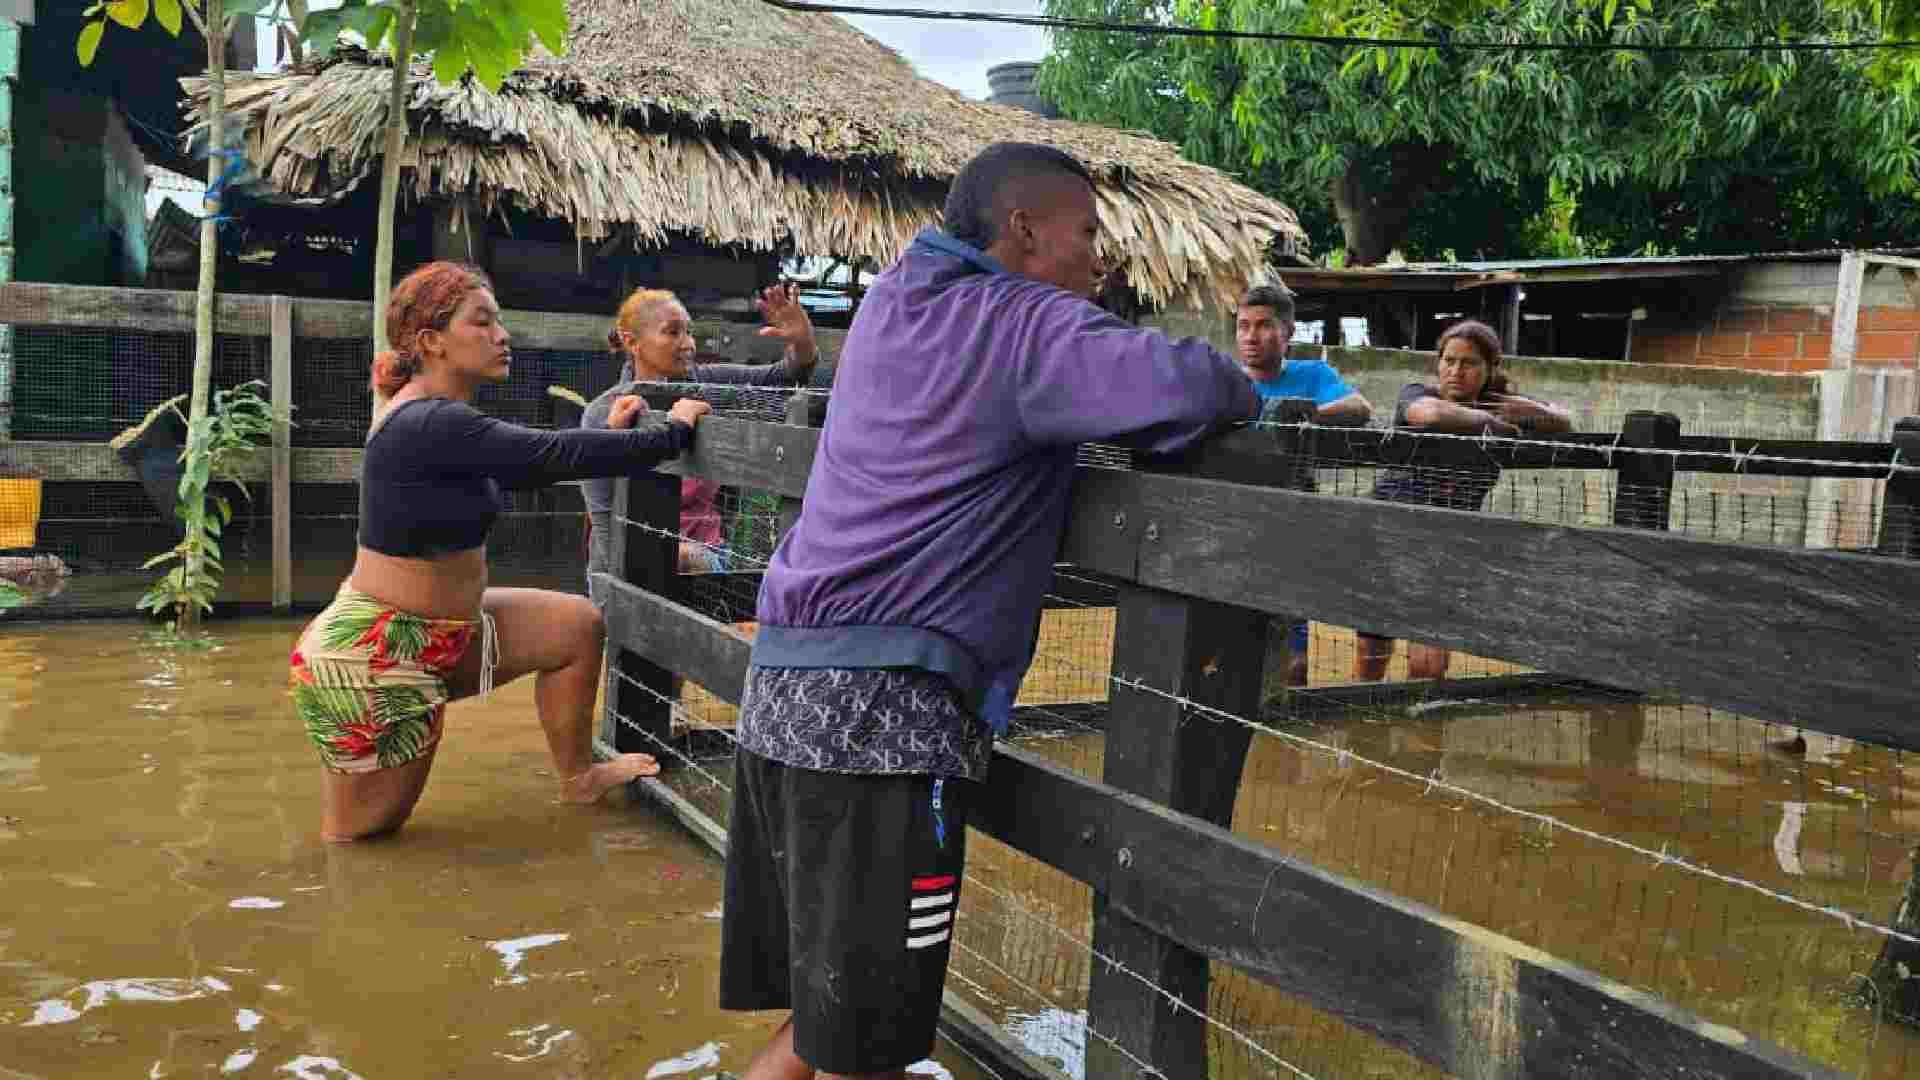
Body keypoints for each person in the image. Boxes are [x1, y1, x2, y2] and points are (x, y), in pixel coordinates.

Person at [720, 142, 1259, 1080]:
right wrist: (1248, 388)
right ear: (1025, 230)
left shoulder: (894, 301)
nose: (1101, 260)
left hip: (782, 689)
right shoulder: (1026, 327)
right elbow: (1194, 384)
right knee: (862, 1051)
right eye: (1086, 234)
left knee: (827, 1029)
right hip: (883, 721)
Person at [290, 261, 713, 843]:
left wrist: (614, 441)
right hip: (380, 655)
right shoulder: (429, 421)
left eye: (499, 322)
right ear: (431, 341)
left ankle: (577, 778)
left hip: (445, 635)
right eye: (482, 322)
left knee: (576, 627)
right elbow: (547, 454)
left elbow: (535, 462)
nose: (502, 335)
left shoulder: (435, 417)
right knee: (363, 842)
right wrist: (673, 432)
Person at [1353, 318, 1571, 683]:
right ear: (1437, 364)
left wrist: (1537, 413)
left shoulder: (1504, 403)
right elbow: (1431, 414)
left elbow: (1566, 420)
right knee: (1372, 656)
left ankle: (1421, 735)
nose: (1456, 371)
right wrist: (1496, 424)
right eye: (1449, 361)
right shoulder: (1418, 393)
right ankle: (1363, 735)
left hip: (1447, 545)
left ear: (1490, 369)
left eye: (1469, 363)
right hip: (1387, 536)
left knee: (1430, 667)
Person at [580, 284, 818, 581]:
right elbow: (603, 521)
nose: (689, 343)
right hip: (629, 571)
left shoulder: (711, 387)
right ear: (632, 342)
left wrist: (803, 341)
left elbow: (786, 377)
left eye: (689, 331)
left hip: (706, 564)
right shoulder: (603, 412)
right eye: (672, 332)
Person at [1233, 281, 1373, 687]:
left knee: (1292, 659)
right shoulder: (1226, 379)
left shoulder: (1312, 374)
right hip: (1233, 518)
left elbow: (1358, 407)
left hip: (1294, 521)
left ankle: (1282, 743)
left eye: (1263, 326)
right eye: (1243, 326)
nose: (1251, 336)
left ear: (1288, 333)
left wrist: (1299, 420)